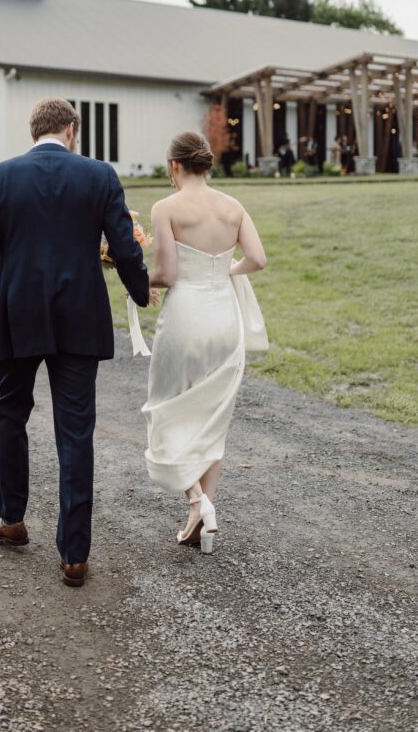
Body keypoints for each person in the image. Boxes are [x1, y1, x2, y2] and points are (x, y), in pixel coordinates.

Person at [0, 97, 152, 587]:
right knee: (75, 431)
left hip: (17, 313)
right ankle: (74, 555)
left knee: (11, 411)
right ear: (71, 129)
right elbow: (125, 245)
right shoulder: (99, 175)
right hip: (79, 318)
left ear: (34, 130)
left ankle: (9, 517)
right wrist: (140, 292)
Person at [141, 132, 267, 554]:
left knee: (166, 409)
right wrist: (226, 270)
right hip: (224, 321)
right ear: (206, 164)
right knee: (213, 418)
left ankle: (196, 501)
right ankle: (202, 513)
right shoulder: (233, 207)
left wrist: (133, 281)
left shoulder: (166, 207)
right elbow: (258, 259)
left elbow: (166, 274)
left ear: (174, 165)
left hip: (185, 319)